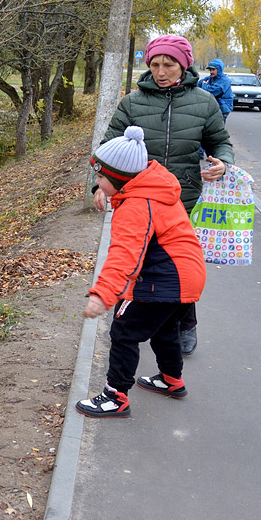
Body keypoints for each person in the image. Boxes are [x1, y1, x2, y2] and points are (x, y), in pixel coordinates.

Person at [95, 34, 232, 355]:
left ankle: (185, 323)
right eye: (155, 64)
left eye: (168, 64)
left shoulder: (204, 103)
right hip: (136, 198)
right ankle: (134, 315)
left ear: (183, 65)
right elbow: (107, 147)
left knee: (174, 265)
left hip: (183, 199)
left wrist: (223, 162)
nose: (161, 71)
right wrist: (97, 185)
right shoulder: (132, 103)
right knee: (137, 257)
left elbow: (220, 142)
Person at [78, 126, 207, 418]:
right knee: (163, 328)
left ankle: (115, 396)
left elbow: (125, 255)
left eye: (100, 178)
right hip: (186, 274)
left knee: (124, 330)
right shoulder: (153, 186)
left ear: (119, 179)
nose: (97, 182)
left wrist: (103, 294)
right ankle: (171, 380)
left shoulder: (136, 205)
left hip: (164, 278)